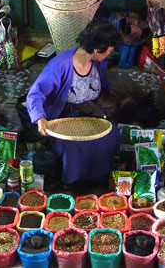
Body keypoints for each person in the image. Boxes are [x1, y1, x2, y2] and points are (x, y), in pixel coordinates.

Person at [26, 19, 122, 188]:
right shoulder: (61, 65)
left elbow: (105, 84)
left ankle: (98, 179)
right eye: (109, 48)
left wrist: (115, 97)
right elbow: (35, 93)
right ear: (97, 48)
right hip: (66, 114)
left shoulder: (99, 63)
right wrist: (40, 118)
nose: (111, 51)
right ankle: (72, 181)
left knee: (110, 134)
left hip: (91, 111)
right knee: (74, 143)